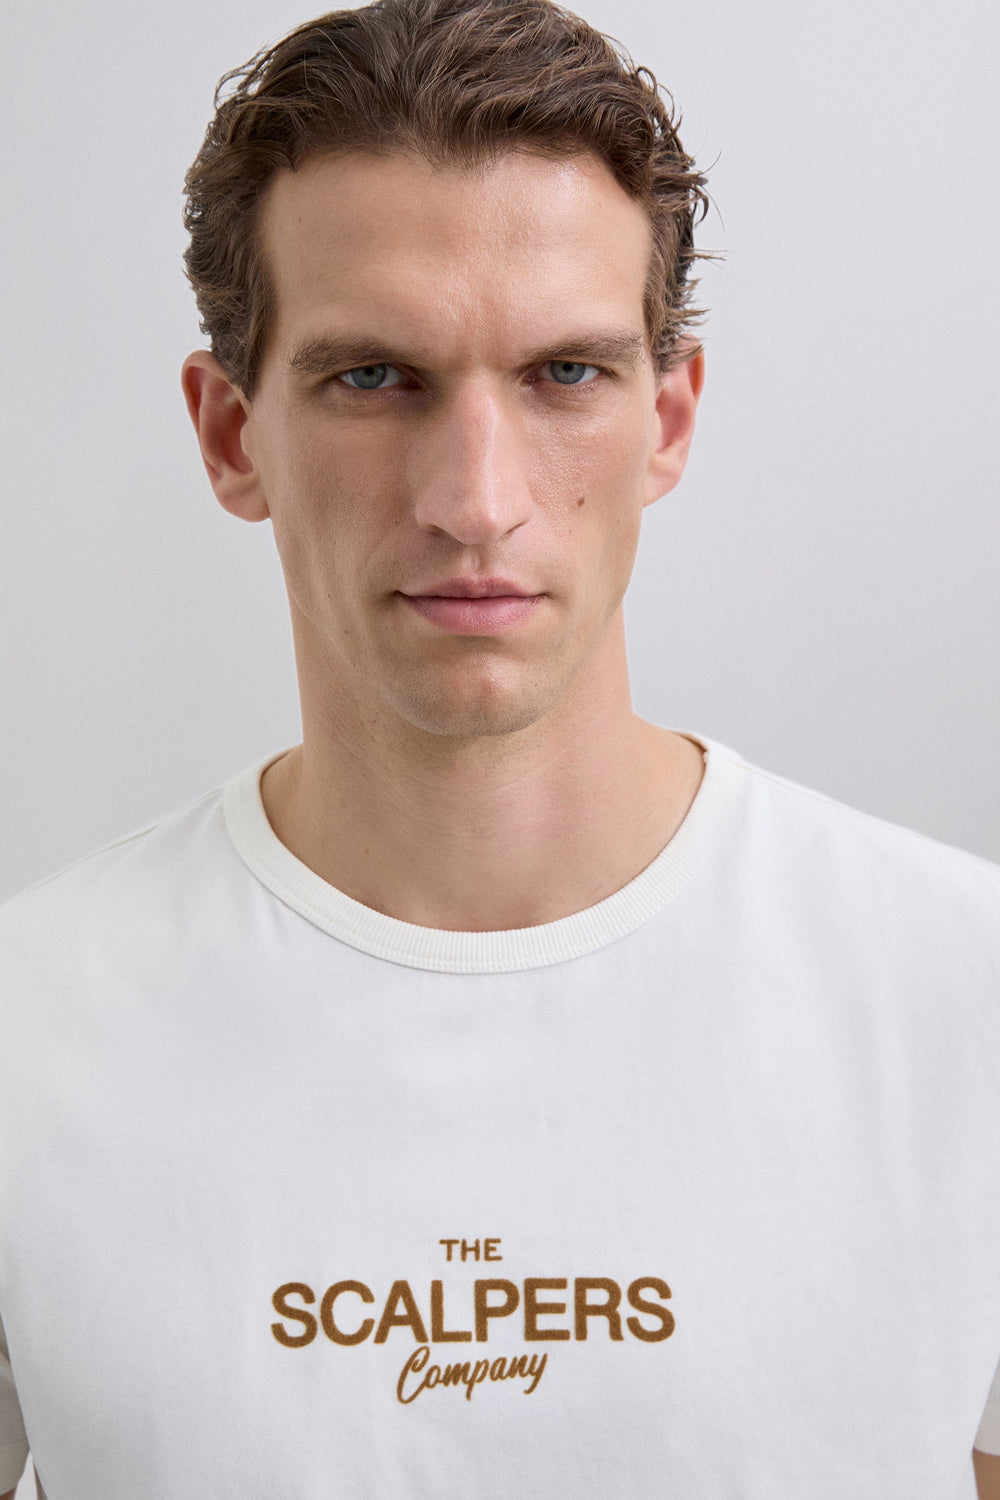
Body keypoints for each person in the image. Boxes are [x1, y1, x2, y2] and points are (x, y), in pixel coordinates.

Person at [1, 0, 999, 1494]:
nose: (477, 500)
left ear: (669, 421)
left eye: (564, 375)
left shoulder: (964, 996)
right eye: (371, 377)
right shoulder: (27, 1031)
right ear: (229, 435)